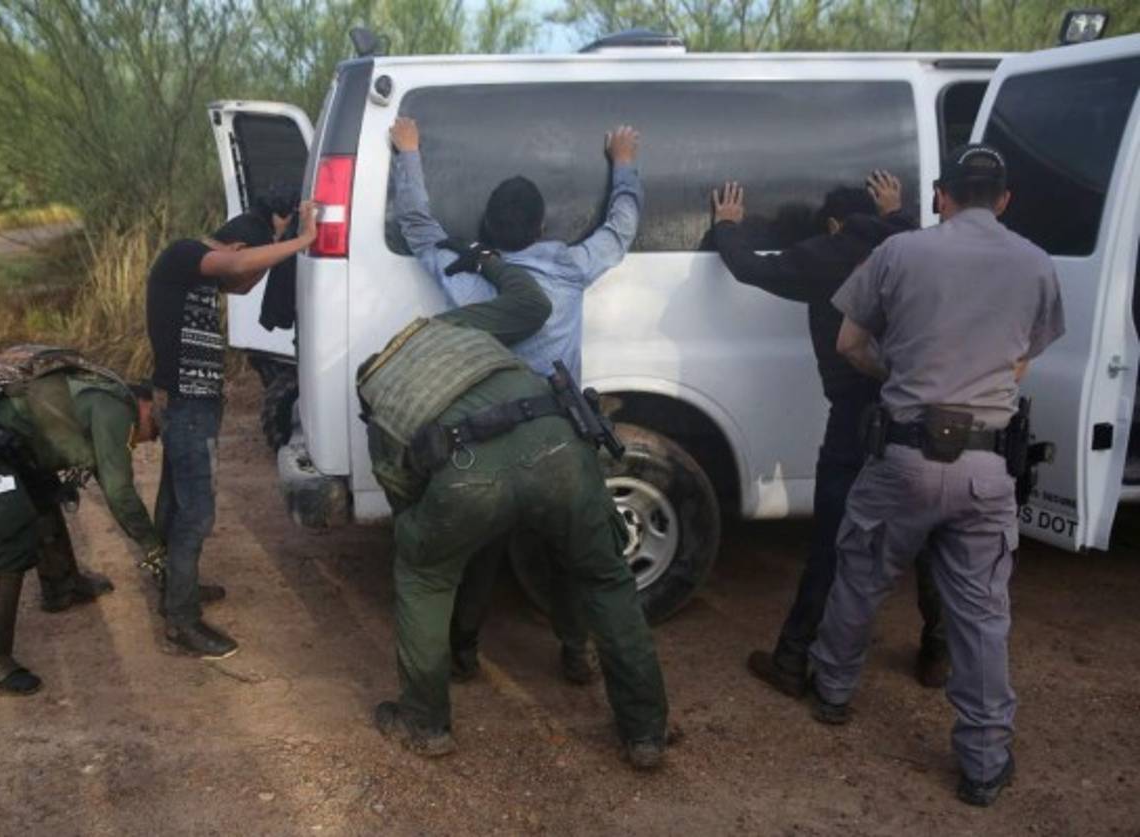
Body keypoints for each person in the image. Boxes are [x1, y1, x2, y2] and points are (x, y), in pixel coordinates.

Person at [807, 144, 1064, 806]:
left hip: (904, 455)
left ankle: (832, 692)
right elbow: (1022, 358)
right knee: (981, 614)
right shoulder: (1036, 264)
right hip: (986, 466)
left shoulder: (899, 253)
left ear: (943, 195)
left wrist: (899, 374)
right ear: (1003, 199)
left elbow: (848, 344)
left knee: (860, 574)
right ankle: (983, 762)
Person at [359, 245, 669, 769]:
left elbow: (409, 500)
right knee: (604, 576)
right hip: (559, 445)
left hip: (463, 474)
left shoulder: (378, 396)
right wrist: (487, 261)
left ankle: (426, 721)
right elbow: (532, 305)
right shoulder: (450, 328)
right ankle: (644, 733)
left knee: (425, 573)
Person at [390, 115, 643, 684]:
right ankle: (577, 651)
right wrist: (623, 163)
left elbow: (417, 226)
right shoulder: (570, 266)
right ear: (540, 224)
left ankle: (463, 652)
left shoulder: (464, 275)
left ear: (488, 227)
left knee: (483, 547)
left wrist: (408, 153)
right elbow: (621, 227)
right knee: (571, 551)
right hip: (560, 440)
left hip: (493, 439)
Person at [709, 173, 949, 695]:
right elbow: (902, 230)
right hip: (917, 409)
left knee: (835, 538)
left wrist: (727, 226)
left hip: (856, 415)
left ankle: (793, 658)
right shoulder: (909, 243)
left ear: (834, 223)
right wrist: (896, 211)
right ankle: (939, 651)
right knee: (928, 532)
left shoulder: (826, 255)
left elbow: (750, 267)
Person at [0, 351, 165, 695]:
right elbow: (120, 492)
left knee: (43, 495)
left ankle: (61, 586)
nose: (146, 440)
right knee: (11, 531)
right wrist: (154, 547)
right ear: (143, 407)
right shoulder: (117, 410)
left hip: (1, 438)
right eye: (151, 432)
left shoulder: (103, 394)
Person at [145, 200, 318, 659]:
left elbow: (240, 284)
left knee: (175, 500)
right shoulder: (183, 253)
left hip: (190, 402)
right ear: (234, 244)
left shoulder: (196, 274)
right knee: (196, 511)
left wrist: (280, 245)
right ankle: (181, 621)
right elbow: (240, 265)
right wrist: (305, 241)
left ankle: (174, 587)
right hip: (186, 404)